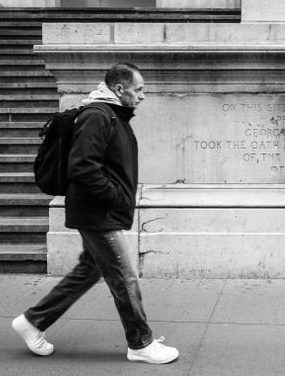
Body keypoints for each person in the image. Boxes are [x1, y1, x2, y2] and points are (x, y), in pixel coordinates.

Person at [12, 63, 179, 364]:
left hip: (96, 210)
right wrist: (114, 197)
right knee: (125, 276)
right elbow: (82, 167)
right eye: (138, 89)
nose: (142, 96)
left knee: (90, 269)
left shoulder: (110, 115)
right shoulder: (98, 116)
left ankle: (33, 321)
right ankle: (140, 342)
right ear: (119, 89)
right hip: (97, 213)